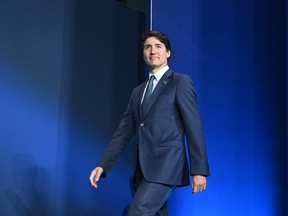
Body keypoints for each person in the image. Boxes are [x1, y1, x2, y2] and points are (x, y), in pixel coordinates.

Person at [89, 30, 210, 216]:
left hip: (167, 166)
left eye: (158, 46)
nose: (153, 51)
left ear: (167, 53)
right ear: (144, 54)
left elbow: (194, 126)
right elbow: (123, 132)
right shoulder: (138, 91)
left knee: (138, 212)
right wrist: (103, 164)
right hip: (144, 170)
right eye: (148, 47)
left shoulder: (180, 82)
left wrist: (199, 170)